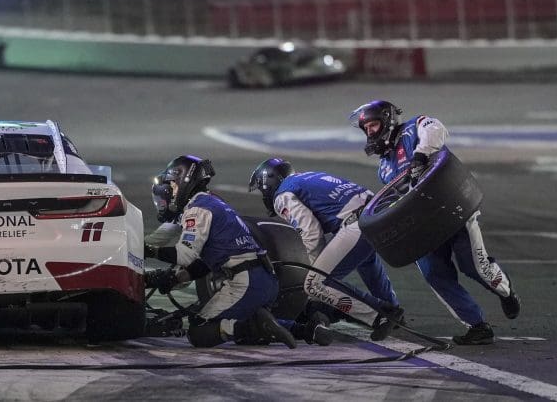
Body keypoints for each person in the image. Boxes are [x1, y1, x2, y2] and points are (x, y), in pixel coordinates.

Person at [350, 100, 521, 346]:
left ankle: (505, 290)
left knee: (474, 267)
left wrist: (420, 156)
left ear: (387, 120)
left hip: (453, 212)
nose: (371, 133)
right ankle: (477, 325)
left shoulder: (415, 128)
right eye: (366, 129)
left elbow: (437, 129)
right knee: (434, 275)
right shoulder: (384, 168)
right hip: (424, 226)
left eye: (374, 125)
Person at [144, 155, 330, 348]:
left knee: (200, 332)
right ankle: (308, 330)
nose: (171, 191)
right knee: (241, 330)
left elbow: (185, 255)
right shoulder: (215, 204)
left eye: (173, 184)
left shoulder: (197, 209)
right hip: (266, 280)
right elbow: (205, 264)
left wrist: (149, 250)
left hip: (245, 281)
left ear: (184, 180)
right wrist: (175, 278)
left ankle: (256, 324)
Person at [248, 157, 404, 341]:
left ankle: (380, 315)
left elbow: (311, 232)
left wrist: (312, 270)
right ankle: (393, 309)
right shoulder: (307, 177)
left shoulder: (282, 195)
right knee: (367, 263)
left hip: (357, 223)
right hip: (376, 213)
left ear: (268, 182)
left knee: (314, 283)